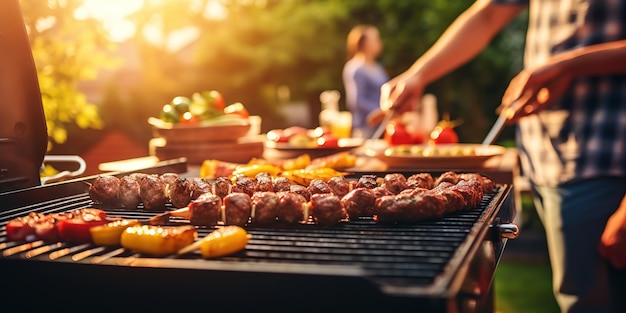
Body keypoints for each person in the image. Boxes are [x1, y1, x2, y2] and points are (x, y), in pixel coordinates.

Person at [379, 1, 626, 312]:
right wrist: (418, 75)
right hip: (547, 156)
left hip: (608, 159)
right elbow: (488, 14)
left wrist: (567, 64)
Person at [342, 24, 389, 138]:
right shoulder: (355, 68)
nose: (379, 42)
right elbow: (356, 101)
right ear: (365, 43)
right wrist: (380, 112)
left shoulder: (378, 67)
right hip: (365, 127)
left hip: (383, 125)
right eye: (376, 39)